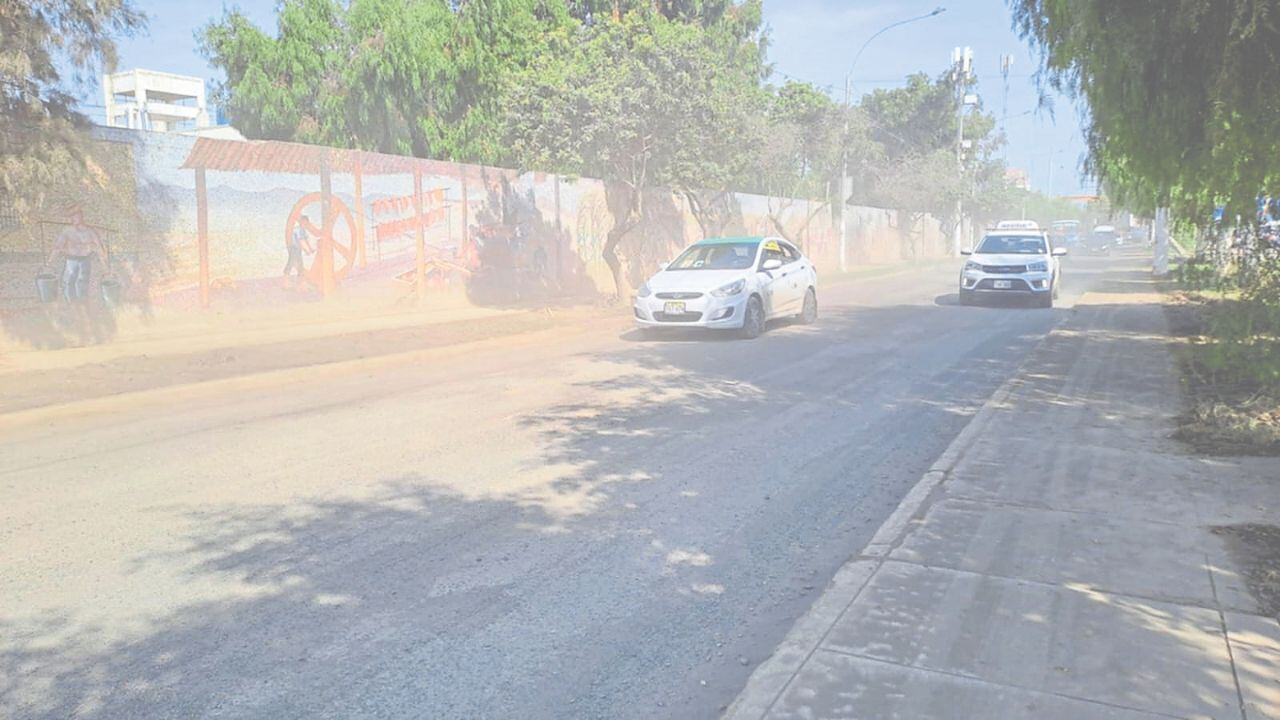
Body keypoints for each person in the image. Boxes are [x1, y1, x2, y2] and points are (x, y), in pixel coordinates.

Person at [47, 206, 107, 303]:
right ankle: (71, 306)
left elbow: (100, 249)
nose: (71, 219)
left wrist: (105, 267)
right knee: (67, 283)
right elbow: (57, 247)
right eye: (70, 217)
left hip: (85, 262)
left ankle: (82, 308)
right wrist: (49, 263)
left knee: (82, 284)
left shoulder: (91, 232)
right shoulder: (67, 231)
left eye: (73, 216)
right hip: (71, 261)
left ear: (80, 216)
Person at [284, 217, 315, 289]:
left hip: (298, 249)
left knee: (300, 266)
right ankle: (286, 283)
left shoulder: (303, 230)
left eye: (306, 223)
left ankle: (301, 285)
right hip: (294, 249)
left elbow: (306, 240)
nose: (305, 224)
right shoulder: (298, 230)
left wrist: (310, 249)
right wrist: (307, 250)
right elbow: (301, 241)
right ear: (301, 222)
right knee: (291, 263)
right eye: (304, 223)